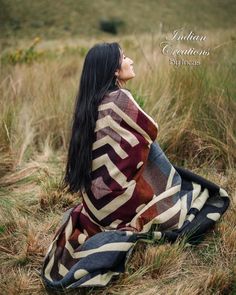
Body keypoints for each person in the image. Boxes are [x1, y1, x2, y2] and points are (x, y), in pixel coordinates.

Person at [41, 42, 230, 291]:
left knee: (139, 146)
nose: (131, 60)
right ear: (114, 71)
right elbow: (151, 129)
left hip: (97, 208)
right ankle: (167, 191)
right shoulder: (120, 97)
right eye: (125, 57)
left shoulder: (89, 106)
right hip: (121, 210)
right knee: (172, 171)